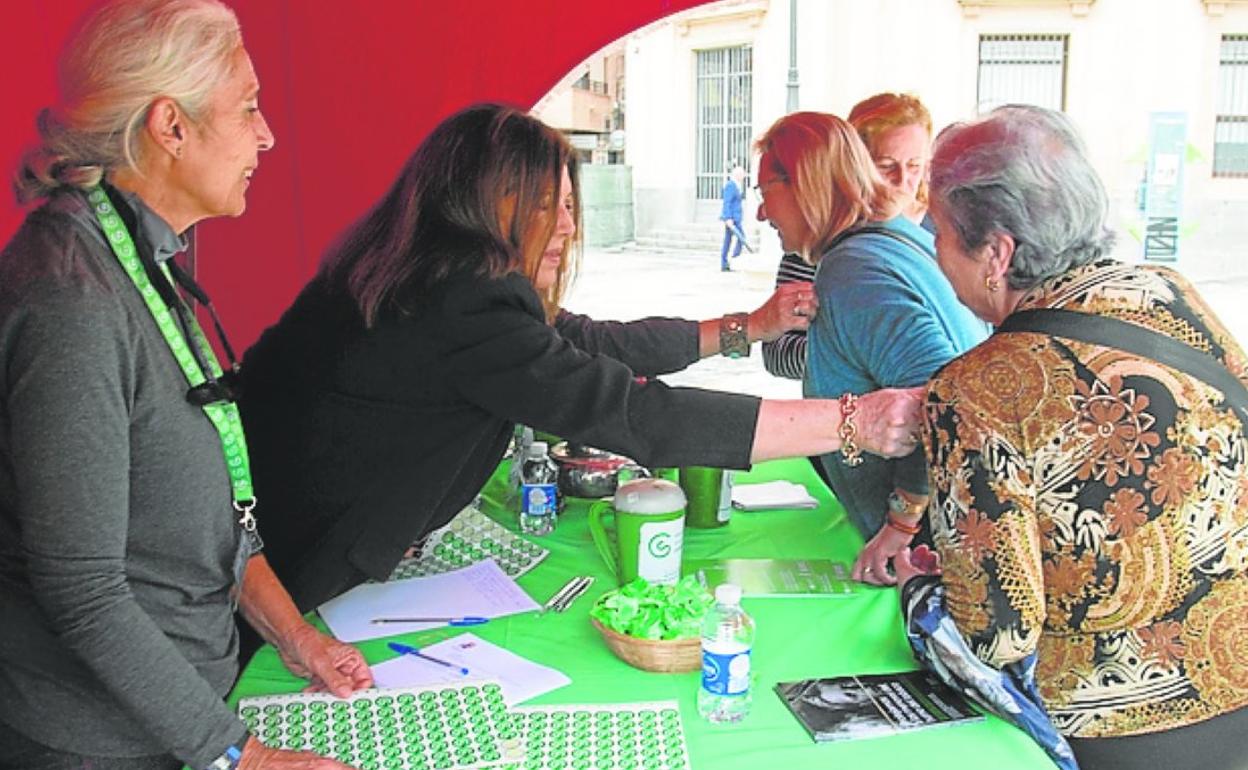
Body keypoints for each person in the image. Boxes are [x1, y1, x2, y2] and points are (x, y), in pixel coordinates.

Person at [237, 103, 925, 613]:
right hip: (277, 561)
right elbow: (631, 414)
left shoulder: (428, 273)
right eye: (547, 205)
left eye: (570, 205)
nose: (566, 227)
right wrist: (849, 422)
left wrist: (744, 326)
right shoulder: (461, 298)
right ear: (488, 202)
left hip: (281, 537)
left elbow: (594, 345)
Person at [0, 2, 372, 769]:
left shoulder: (143, 259)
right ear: (171, 127)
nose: (266, 135)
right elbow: (84, 592)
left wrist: (297, 639)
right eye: (248, 107)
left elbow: (214, 518)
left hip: (186, 714)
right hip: (98, 745)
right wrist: (244, 757)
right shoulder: (72, 299)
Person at [895, 105, 1248, 769]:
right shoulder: (1171, 294)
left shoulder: (975, 390)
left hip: (1121, 728)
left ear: (996, 253)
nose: (932, 252)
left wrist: (922, 585)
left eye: (936, 231)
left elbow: (997, 633)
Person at [753, 111, 986, 586]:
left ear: (803, 184)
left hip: (923, 556)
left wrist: (901, 523)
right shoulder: (898, 238)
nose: (760, 213)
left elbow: (942, 400)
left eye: (765, 194)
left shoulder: (854, 268)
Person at [762, 93, 935, 381]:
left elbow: (932, 377)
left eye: (915, 166)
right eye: (886, 165)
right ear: (853, 165)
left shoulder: (945, 228)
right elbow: (777, 352)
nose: (903, 180)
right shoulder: (820, 240)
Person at [719, 163, 747, 271]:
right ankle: (732, 260)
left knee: (729, 240)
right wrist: (728, 218)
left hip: (736, 218)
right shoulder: (731, 185)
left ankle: (726, 262)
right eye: (742, 174)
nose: (744, 176)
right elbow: (727, 203)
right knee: (741, 238)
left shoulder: (737, 186)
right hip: (732, 219)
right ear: (737, 175)